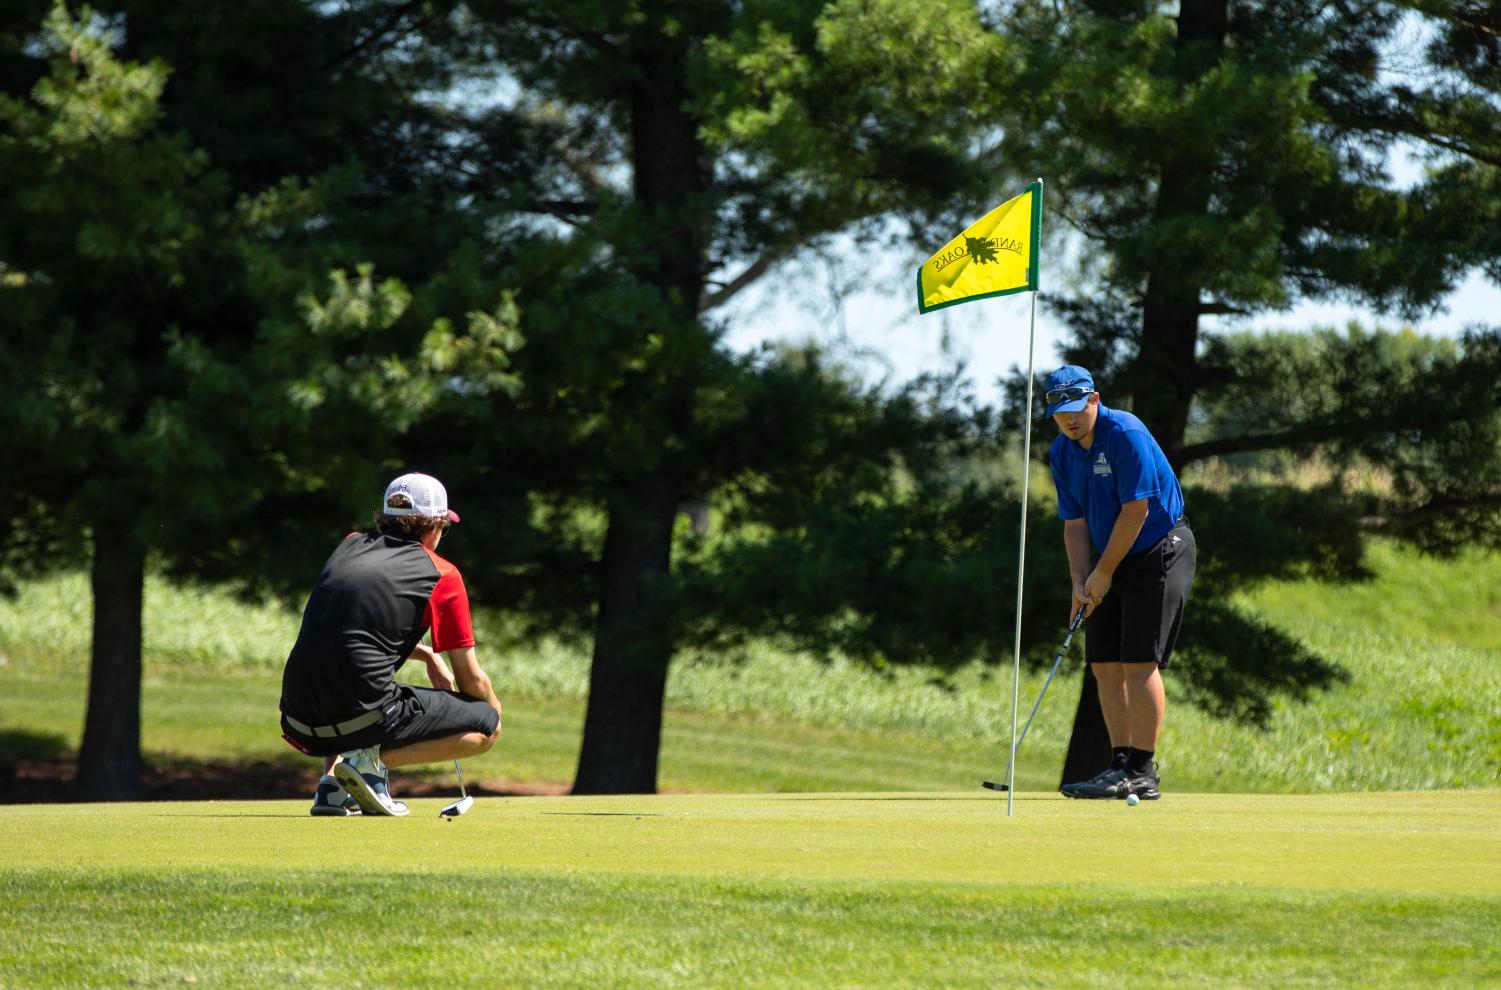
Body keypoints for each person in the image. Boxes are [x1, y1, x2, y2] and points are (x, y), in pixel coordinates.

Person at [279, 472, 502, 816]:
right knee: (485, 726)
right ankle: (369, 764)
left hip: (297, 719)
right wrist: (492, 711)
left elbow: (346, 632)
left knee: (350, 683)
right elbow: (471, 679)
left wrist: (425, 654)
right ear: (434, 526)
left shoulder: (349, 546)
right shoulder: (442, 574)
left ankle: (333, 788)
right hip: (358, 717)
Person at [1045, 365, 1195, 801]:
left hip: (1159, 548)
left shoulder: (1124, 432)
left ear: (1094, 400)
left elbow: (1137, 512)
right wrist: (1079, 581)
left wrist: (1103, 572)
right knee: (1103, 665)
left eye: (1076, 409)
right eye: (1060, 413)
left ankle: (1144, 770)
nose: (1070, 419)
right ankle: (1119, 766)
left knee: (1138, 662)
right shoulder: (1062, 451)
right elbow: (1074, 522)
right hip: (1109, 557)